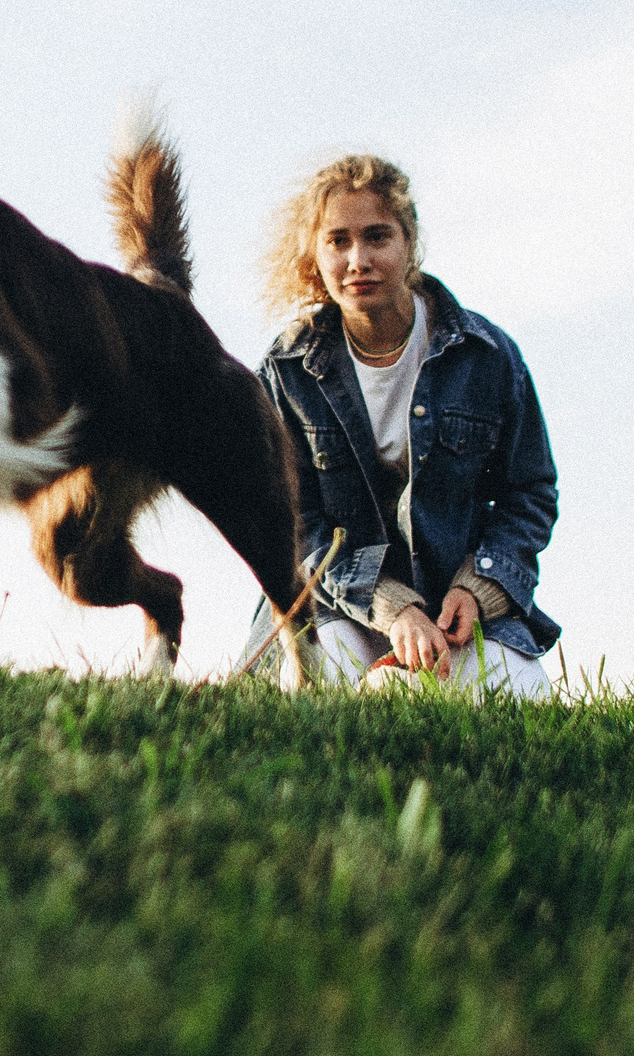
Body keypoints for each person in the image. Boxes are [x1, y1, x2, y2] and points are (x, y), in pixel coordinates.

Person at [240, 155, 560, 696]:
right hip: (334, 606)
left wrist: (480, 585)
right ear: (315, 255)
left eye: (377, 237)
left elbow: (529, 493)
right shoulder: (286, 371)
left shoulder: (486, 356)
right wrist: (388, 605)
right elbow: (291, 523)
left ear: (409, 243)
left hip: (458, 611)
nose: (358, 260)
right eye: (337, 241)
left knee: (522, 704)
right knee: (323, 705)